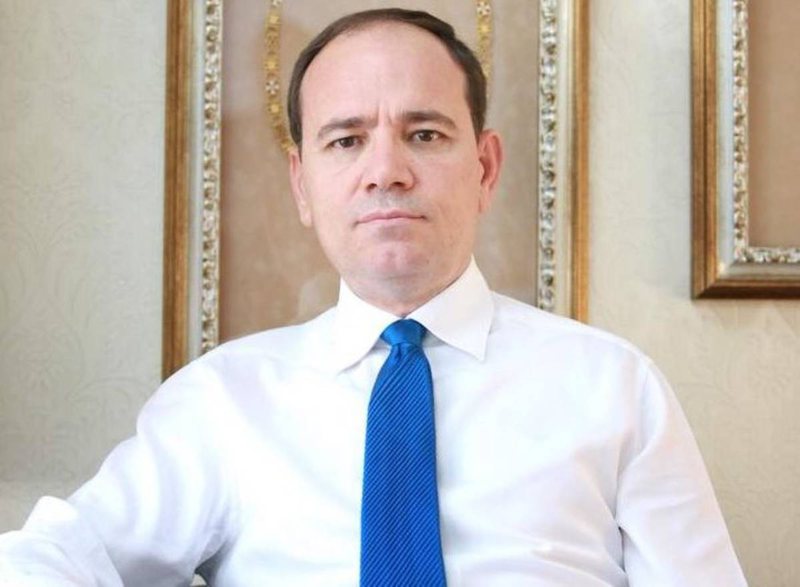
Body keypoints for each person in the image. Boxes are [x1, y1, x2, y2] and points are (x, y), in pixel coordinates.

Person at [0, 8, 747, 586]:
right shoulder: (221, 402)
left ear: (485, 168)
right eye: (346, 140)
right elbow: (52, 556)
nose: (386, 170)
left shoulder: (616, 388)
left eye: (424, 135)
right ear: (302, 184)